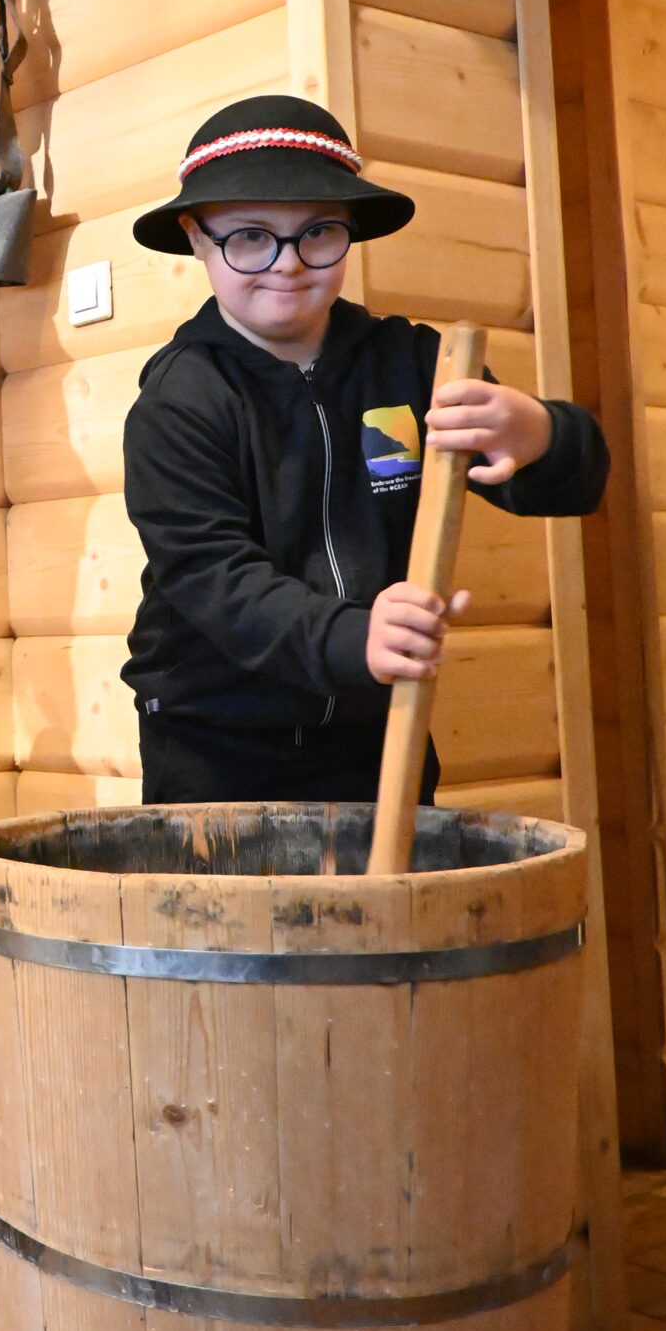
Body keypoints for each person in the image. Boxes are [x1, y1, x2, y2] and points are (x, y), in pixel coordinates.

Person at [122, 93, 608, 804]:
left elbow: (570, 484)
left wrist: (540, 434)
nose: (288, 264)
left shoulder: (413, 364)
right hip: (215, 744)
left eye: (318, 233)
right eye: (250, 237)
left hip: (378, 733)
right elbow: (210, 576)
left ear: (348, 232)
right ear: (197, 238)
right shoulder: (180, 399)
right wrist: (352, 638)